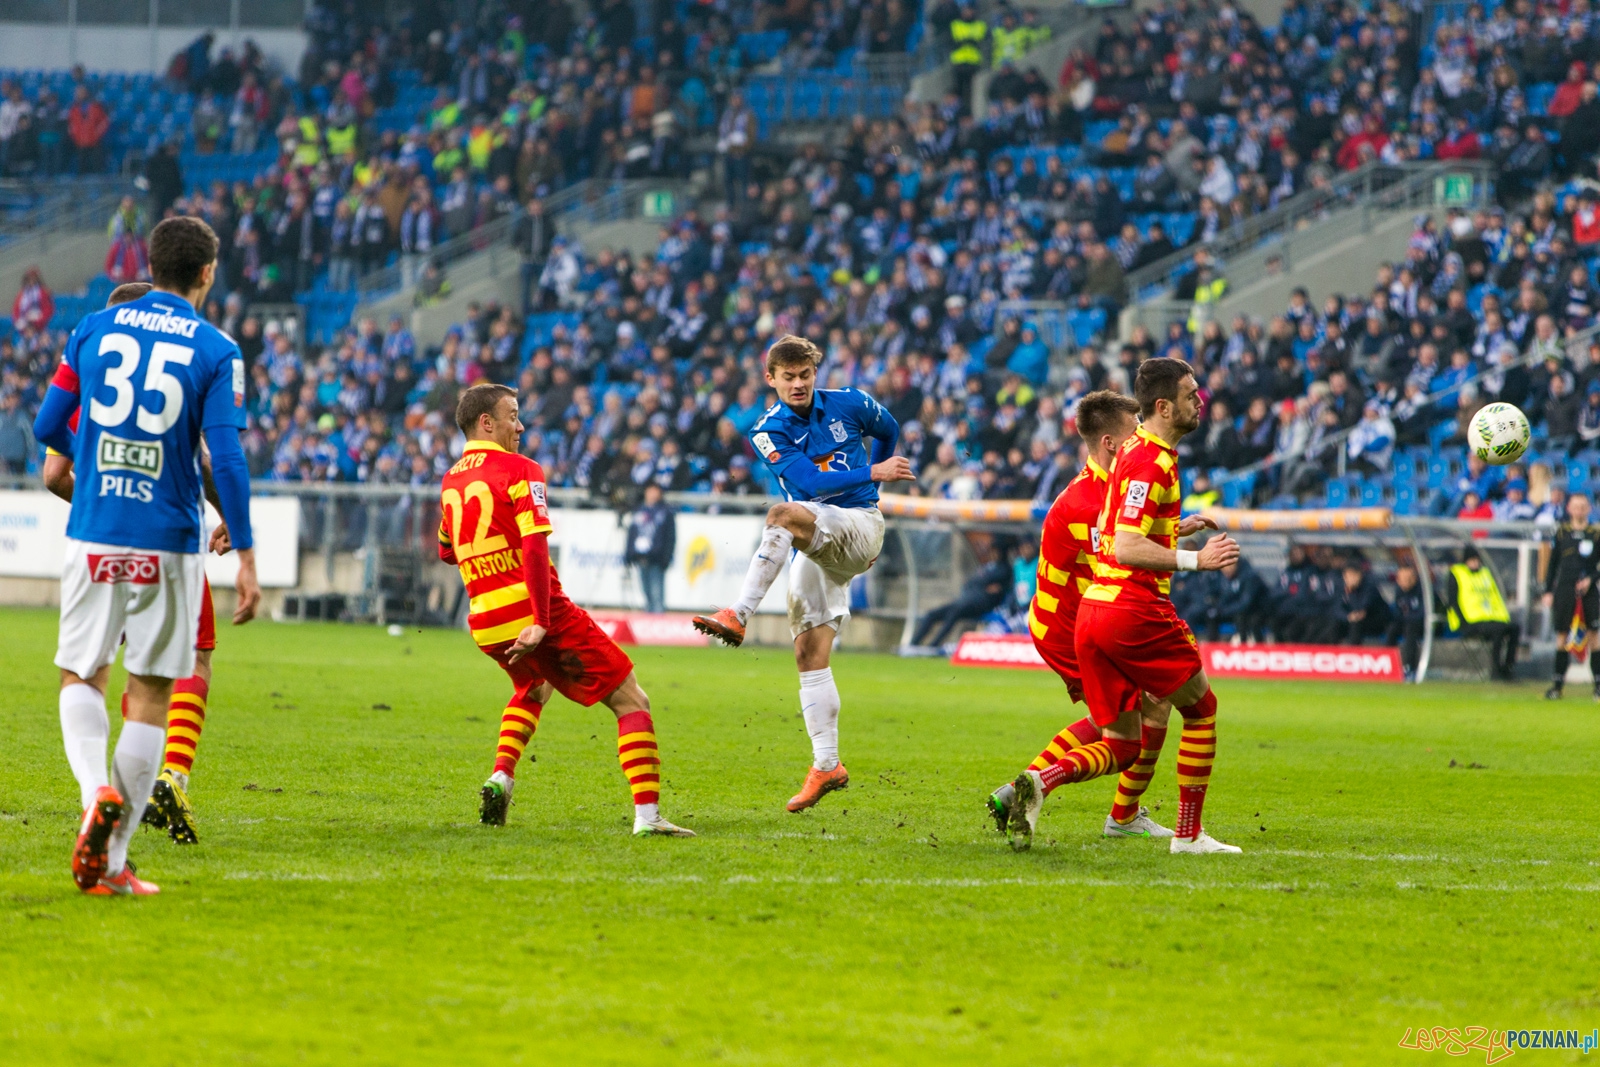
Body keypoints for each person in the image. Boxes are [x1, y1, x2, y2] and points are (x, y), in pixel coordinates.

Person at [33, 216, 261, 896]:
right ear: (207, 273)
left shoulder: (91, 329)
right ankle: (113, 862)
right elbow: (227, 456)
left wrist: (97, 462)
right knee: (153, 692)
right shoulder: (217, 349)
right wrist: (246, 552)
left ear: (149, 264)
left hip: (97, 525)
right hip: (169, 538)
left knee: (82, 673)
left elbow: (46, 426)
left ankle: (93, 792)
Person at [1007, 357, 1243, 854]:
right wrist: (1196, 559)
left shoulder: (1131, 456)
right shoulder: (1145, 462)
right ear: (1164, 406)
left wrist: (1171, 527)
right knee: (1198, 709)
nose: (1200, 401)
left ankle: (1040, 784)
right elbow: (1126, 546)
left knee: (1122, 741)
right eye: (1190, 394)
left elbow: (1117, 530)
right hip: (1114, 612)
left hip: (1093, 611)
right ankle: (1185, 834)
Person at [439, 383, 693, 837]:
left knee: (533, 686)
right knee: (632, 700)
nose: (521, 426)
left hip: (485, 620)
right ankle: (648, 817)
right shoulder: (521, 469)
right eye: (513, 416)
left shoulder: (450, 479)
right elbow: (535, 547)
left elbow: (445, 549)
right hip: (534, 611)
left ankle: (501, 777)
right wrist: (541, 620)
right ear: (486, 423)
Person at [691, 335, 915, 812]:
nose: (798, 384)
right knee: (808, 653)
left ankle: (739, 613)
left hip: (857, 521)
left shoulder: (851, 403)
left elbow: (890, 427)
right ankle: (827, 764)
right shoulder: (766, 431)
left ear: (816, 373)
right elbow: (810, 482)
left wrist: (875, 486)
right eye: (788, 377)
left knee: (779, 515)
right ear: (770, 379)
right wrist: (875, 471)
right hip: (816, 535)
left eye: (805, 375)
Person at [987, 391, 1185, 843]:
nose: (1142, 437)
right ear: (1110, 443)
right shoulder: (1087, 502)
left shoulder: (1107, 488)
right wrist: (1185, 555)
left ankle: (1022, 792)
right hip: (1067, 628)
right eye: (1135, 430)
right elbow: (1122, 564)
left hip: (1072, 618)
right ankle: (1117, 815)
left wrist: (1170, 529)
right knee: (1134, 718)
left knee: (1132, 709)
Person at [1541, 493, 1600, 700]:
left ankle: (1598, 686)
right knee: (1562, 635)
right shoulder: (1561, 532)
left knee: (1593, 636)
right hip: (1565, 589)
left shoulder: (1595, 534)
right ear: (1569, 509)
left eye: (1583, 507)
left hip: (1589, 591)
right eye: (1576, 507)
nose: (1579, 510)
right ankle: (1557, 686)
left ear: (1589, 509)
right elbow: (1553, 564)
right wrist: (1548, 591)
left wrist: (1590, 580)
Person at [1443, 546, 1519, 681]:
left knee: (1515, 629)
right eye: (1472, 560)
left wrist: (1504, 618)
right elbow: (1453, 601)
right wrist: (1462, 621)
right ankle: (1495, 670)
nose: (1475, 563)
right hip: (1469, 621)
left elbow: (1495, 598)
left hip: (1490, 618)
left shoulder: (1485, 574)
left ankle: (1508, 668)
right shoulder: (1457, 574)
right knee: (1498, 631)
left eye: (1477, 560)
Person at [909, 552, 1010, 647]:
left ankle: (933, 646)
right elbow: (971, 583)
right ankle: (913, 645)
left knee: (954, 612)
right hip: (963, 602)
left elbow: (985, 585)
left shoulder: (1004, 569)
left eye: (995, 551)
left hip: (978, 606)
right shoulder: (985, 568)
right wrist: (983, 584)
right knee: (931, 614)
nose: (992, 554)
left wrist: (981, 583)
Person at [625, 482, 676, 614]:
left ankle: (658, 622)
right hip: (641, 558)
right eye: (650, 491)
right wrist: (629, 555)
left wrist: (666, 558)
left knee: (656, 595)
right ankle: (648, 621)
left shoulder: (665, 512)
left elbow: (670, 537)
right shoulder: (639, 511)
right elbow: (632, 534)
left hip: (656, 559)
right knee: (646, 594)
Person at [1386, 564, 1427, 681]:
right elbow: (1398, 611)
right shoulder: (1399, 590)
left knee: (1410, 631)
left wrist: (1407, 618)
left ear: (1414, 578)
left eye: (1407, 579)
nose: (1403, 582)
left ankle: (1409, 668)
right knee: (1392, 629)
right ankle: (1389, 664)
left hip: (1422, 625)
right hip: (1406, 622)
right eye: (1400, 579)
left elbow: (1423, 613)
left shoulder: (1423, 591)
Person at [1335, 561, 1392, 644]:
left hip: (1376, 621)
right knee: (1334, 623)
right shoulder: (1342, 588)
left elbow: (1362, 608)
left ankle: (1353, 650)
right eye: (1347, 576)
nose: (1350, 579)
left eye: (1353, 575)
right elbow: (1336, 608)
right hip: (1356, 619)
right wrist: (1348, 616)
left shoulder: (1369, 587)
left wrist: (1350, 593)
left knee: (1356, 624)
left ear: (1360, 575)